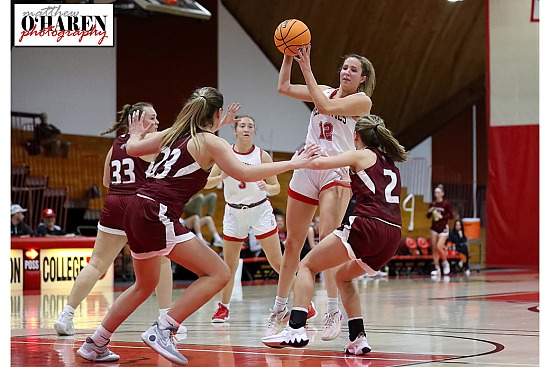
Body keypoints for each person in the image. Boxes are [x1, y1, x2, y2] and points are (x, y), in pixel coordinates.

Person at [76, 87, 320, 365]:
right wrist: (294, 162)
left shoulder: (172, 133)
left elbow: (132, 148)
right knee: (218, 272)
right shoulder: (211, 143)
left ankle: (96, 342)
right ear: (216, 114)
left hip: (136, 207)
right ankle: (164, 328)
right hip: (158, 211)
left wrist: (133, 132)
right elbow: (244, 172)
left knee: (144, 284)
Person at [262, 114, 408, 355]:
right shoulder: (389, 162)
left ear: (356, 136)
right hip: (392, 235)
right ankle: (358, 337)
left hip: (367, 226)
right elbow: (372, 188)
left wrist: (298, 160)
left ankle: (296, 328)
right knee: (343, 277)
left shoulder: (361, 154)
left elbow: (319, 165)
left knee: (307, 265)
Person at [265, 44, 375, 340]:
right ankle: (279, 308)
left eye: (353, 69)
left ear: (363, 78)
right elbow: (284, 87)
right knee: (292, 243)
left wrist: (307, 66)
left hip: (335, 171)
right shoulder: (323, 90)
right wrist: (289, 55)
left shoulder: (362, 101)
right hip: (307, 165)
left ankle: (333, 310)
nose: (346, 72)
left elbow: (326, 108)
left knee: (328, 240)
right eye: (344, 67)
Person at [53, 102, 185, 337]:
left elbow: (106, 182)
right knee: (163, 261)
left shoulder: (115, 145)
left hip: (113, 204)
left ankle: (67, 315)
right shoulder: (148, 145)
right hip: (138, 206)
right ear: (136, 121)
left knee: (96, 264)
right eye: (152, 118)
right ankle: (166, 317)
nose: (157, 122)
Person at [204, 115, 285, 323]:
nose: (246, 129)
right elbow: (206, 183)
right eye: (242, 126)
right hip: (234, 212)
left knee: (277, 262)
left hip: (260, 211)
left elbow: (276, 187)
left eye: (250, 126)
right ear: (235, 131)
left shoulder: (262, 156)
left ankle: (304, 302)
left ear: (254, 131)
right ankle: (223, 308)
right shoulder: (225, 154)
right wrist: (220, 177)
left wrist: (268, 187)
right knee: (228, 265)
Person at [427, 184, 453, 276]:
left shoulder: (446, 203)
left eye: (438, 192)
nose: (436, 194)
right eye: (435, 192)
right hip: (434, 227)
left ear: (442, 194)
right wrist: (430, 212)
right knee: (434, 248)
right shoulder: (433, 203)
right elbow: (428, 216)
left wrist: (442, 217)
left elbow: (451, 215)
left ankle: (445, 263)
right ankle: (437, 268)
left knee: (439, 246)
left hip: (443, 228)